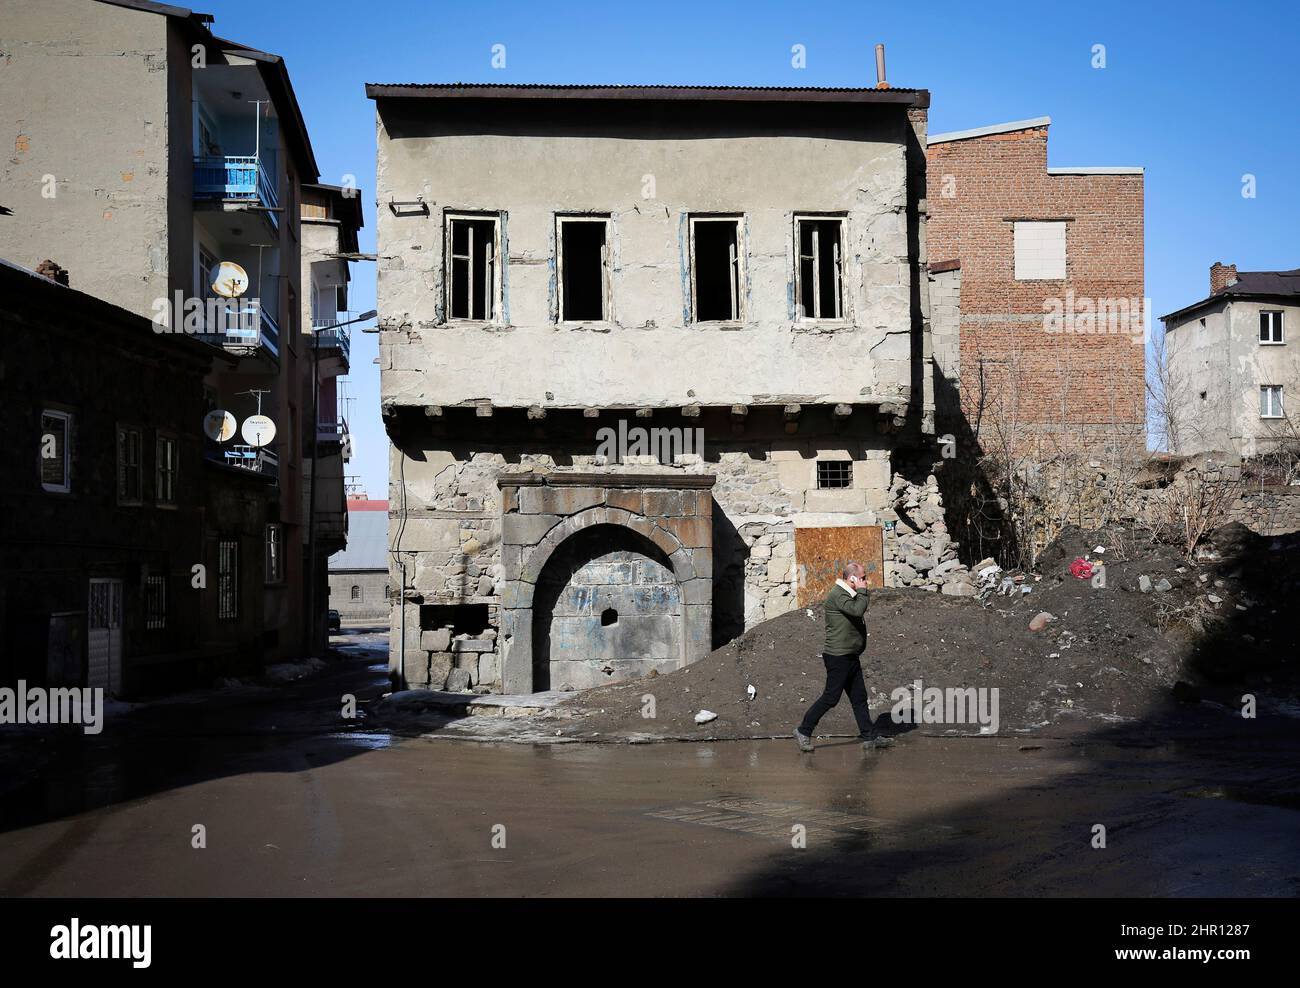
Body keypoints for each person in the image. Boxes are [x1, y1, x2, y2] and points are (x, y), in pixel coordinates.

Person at [794, 562, 892, 752]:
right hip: (838, 656)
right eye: (862, 578)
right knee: (831, 698)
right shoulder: (838, 594)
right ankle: (803, 731)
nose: (865, 581)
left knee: (859, 698)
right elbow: (857, 610)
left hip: (850, 655)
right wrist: (863, 592)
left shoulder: (848, 594)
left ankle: (869, 736)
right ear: (852, 578)